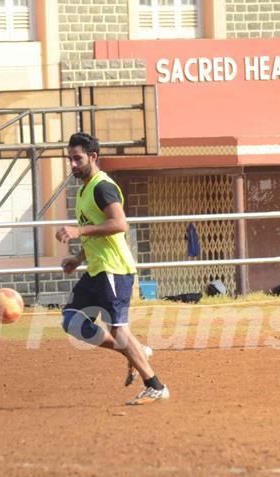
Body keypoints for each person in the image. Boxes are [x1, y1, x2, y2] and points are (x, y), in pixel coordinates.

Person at [55, 132, 169, 405]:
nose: (72, 164)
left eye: (77, 158)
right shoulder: (84, 189)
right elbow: (99, 232)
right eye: (70, 158)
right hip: (96, 269)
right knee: (71, 321)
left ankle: (155, 386)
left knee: (117, 329)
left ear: (93, 157)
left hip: (113, 269)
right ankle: (134, 350)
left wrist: (78, 231)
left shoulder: (101, 186)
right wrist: (79, 257)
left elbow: (119, 224)